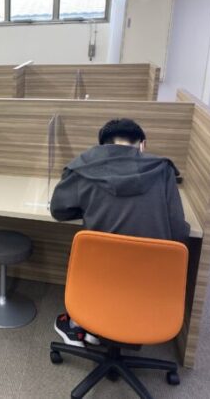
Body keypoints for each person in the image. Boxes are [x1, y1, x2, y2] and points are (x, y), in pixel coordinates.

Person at [50, 118, 190, 347]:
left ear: (103, 147)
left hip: (99, 278)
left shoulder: (84, 168)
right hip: (151, 283)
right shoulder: (163, 170)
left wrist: (90, 207)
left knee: (84, 253)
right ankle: (109, 323)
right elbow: (179, 232)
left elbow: (58, 210)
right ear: (142, 145)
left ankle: (80, 323)